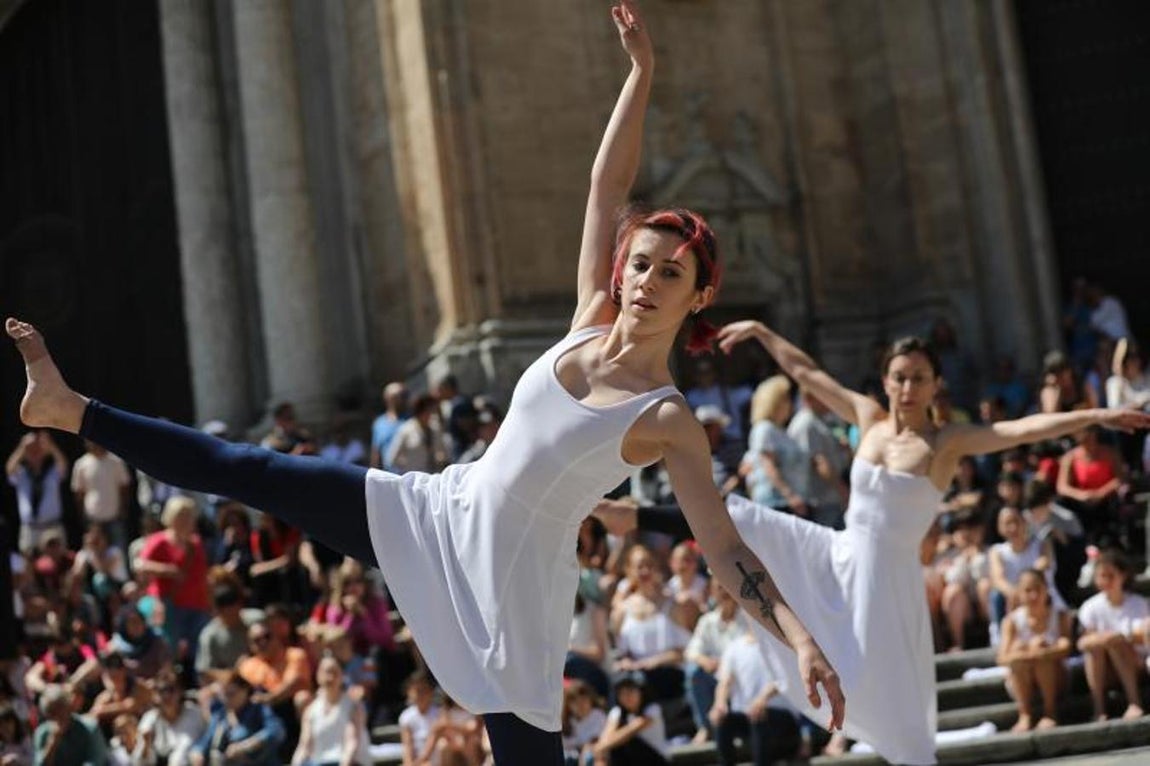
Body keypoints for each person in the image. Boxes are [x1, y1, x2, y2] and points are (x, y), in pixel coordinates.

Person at [4, 4, 843, 762]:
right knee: (250, 471)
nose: (647, 281)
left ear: (700, 296)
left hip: (514, 586)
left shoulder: (667, 418)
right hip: (437, 511)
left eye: (673, 275)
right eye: (644, 264)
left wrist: (801, 641)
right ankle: (71, 408)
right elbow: (606, 189)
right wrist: (641, 74)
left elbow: (724, 550)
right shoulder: (590, 313)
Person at [599, 324, 1150, 764]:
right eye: (898, 377)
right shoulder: (868, 418)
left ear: (935, 385)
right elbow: (809, 374)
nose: (907, 388)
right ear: (885, 381)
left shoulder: (946, 443)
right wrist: (764, 334)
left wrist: (1098, 413)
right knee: (740, 517)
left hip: (888, 579)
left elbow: (1026, 429)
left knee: (900, 717)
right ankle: (633, 514)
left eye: (918, 378)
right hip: (838, 551)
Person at [709, 624, 802, 766]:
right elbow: (724, 682)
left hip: (784, 718)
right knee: (723, 719)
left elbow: (783, 678)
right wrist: (719, 704)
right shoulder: (734, 647)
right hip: (750, 717)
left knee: (758, 715)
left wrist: (761, 700)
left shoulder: (781, 644)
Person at [996, 569, 1072, 732]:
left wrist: (1041, 652)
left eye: (1038, 589)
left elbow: (1066, 647)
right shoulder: (1011, 621)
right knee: (1018, 650)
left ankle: (1050, 711)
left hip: (1056, 678)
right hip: (1022, 679)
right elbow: (1002, 657)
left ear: (1046, 589)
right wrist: (1026, 654)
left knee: (1040, 650)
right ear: (1019, 593)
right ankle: (1024, 714)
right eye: (1028, 590)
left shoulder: (1059, 615)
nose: (1033, 596)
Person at [1077, 548, 1148, 721]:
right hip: (1105, 669)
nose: (1106, 581)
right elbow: (1082, 642)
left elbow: (1145, 636)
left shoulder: (1139, 603)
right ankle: (1099, 707)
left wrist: (1121, 638)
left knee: (1116, 643)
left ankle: (1134, 702)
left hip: (1136, 664)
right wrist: (1105, 639)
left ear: (1123, 576)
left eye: (1111, 575)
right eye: (1102, 576)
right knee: (1096, 648)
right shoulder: (1090, 607)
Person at [291, 655, 372, 766]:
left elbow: (352, 743)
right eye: (325, 672)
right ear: (318, 676)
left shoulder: (354, 706)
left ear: (342, 676)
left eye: (334, 672)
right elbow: (304, 745)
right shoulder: (310, 711)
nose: (329, 677)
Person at [192, 672, 286, 766]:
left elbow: (276, 731)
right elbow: (205, 741)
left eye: (231, 694)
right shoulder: (221, 715)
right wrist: (197, 752)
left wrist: (246, 746)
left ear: (245, 690)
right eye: (223, 695)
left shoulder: (258, 709)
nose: (226, 699)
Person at [4, 430, 68, 554]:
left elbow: (63, 465)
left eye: (37, 449)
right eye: (31, 449)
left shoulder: (52, 471)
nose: (34, 452)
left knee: (57, 567)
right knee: (28, 565)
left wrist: (51, 446)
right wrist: (22, 447)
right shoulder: (21, 473)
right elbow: (9, 470)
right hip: (30, 529)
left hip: (52, 527)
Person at [594, 673, 669, 765]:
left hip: (656, 760)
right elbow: (605, 738)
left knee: (625, 742)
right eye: (622, 693)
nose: (627, 696)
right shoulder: (617, 712)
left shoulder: (652, 709)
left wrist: (600, 747)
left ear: (641, 691)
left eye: (631, 691)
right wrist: (600, 749)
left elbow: (630, 731)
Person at [139, 669, 208, 766]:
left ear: (180, 691)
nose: (166, 695)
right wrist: (145, 746)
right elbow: (139, 762)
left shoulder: (194, 714)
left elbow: (202, 742)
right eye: (162, 690)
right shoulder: (150, 719)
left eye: (171, 690)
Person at [33, 684, 108, 766]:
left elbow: (96, 760)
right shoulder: (42, 733)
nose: (58, 715)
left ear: (68, 707)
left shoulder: (89, 726)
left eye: (60, 709)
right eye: (52, 712)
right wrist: (52, 744)